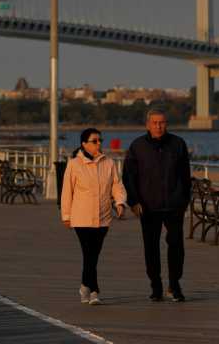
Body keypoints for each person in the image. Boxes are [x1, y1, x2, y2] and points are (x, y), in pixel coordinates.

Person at [122, 109, 192, 302]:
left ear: (166, 123)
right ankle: (156, 286)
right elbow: (128, 177)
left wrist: (184, 200)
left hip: (174, 205)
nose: (159, 126)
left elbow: (185, 175)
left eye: (162, 122)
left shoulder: (178, 144)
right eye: (155, 122)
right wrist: (134, 201)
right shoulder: (137, 146)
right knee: (151, 247)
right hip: (148, 206)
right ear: (148, 124)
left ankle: (175, 285)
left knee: (177, 246)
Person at [60, 128, 126, 305]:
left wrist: (120, 203)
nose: (99, 144)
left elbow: (116, 185)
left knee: (93, 255)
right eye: (94, 141)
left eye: (100, 141)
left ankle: (84, 286)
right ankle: (95, 291)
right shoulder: (74, 164)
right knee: (89, 253)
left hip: (103, 217)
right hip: (81, 217)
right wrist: (66, 215)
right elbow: (67, 191)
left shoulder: (109, 163)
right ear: (84, 144)